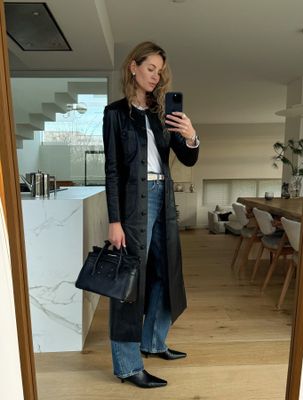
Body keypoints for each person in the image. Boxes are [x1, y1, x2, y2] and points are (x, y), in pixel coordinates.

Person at [102, 41, 199, 388]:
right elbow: (112, 170)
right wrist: (115, 220)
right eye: (150, 68)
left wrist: (190, 137)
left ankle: (153, 341)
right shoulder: (114, 114)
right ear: (133, 67)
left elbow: (187, 160)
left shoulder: (162, 114)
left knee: (165, 271)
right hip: (132, 204)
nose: (156, 76)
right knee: (128, 283)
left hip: (164, 196)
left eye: (160, 71)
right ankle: (128, 366)